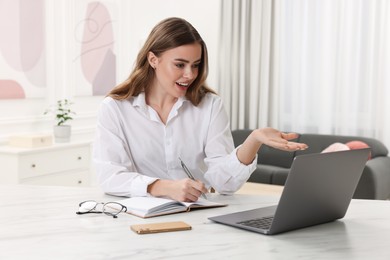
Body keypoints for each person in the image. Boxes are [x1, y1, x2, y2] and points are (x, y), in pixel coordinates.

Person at [93, 17, 308, 202]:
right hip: (137, 221)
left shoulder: (210, 106)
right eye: (180, 64)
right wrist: (165, 187)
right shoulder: (115, 109)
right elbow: (110, 176)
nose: (190, 74)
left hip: (196, 217)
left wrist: (254, 140)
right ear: (153, 60)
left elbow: (225, 184)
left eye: (195, 65)